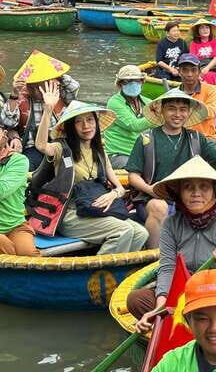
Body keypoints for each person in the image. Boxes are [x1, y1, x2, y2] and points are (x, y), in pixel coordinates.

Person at [127, 156, 216, 338]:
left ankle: (194, 333)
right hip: (191, 299)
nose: (196, 193)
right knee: (136, 300)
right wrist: (160, 307)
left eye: (204, 187)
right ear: (179, 192)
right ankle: (189, 330)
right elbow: (167, 268)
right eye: (188, 187)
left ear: (214, 191)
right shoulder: (172, 224)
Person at [34, 85, 148, 255]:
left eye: (90, 120)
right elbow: (41, 145)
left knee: (141, 233)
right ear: (71, 126)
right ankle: (102, 269)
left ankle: (119, 269)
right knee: (124, 230)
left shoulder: (99, 151)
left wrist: (112, 195)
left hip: (97, 210)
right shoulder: (61, 148)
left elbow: (120, 188)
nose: (86, 126)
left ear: (96, 122)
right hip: (71, 214)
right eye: (79, 121)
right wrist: (48, 109)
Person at [125, 89, 216, 249]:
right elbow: (133, 176)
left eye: (183, 109)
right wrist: (150, 189)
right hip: (153, 197)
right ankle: (157, 256)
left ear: (188, 112)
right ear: (162, 111)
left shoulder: (196, 138)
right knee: (159, 207)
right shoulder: (146, 139)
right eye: (171, 109)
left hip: (188, 196)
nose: (177, 114)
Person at [2, 50, 79, 170]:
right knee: (27, 165)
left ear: (50, 82)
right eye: (31, 87)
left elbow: (74, 87)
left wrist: (55, 73)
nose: (35, 92)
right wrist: (14, 94)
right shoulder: (20, 98)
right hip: (33, 148)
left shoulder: (60, 93)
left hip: (61, 144)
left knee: (72, 163)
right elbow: (8, 123)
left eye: (39, 87)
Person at [103, 65, 152, 169]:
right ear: (120, 84)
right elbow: (134, 125)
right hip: (120, 155)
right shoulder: (114, 103)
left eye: (136, 81)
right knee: (141, 168)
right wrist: (158, 117)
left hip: (143, 153)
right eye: (127, 81)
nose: (133, 84)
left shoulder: (148, 102)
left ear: (142, 82)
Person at [0, 127, 38, 256]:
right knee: (5, 247)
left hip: (15, 226)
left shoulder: (18, 161)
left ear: (4, 134)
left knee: (28, 255)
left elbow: (2, 190)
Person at [176, 54, 216, 140]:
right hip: (181, 138)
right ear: (179, 72)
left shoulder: (210, 90)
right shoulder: (174, 93)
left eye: (193, 70)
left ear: (199, 71)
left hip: (207, 137)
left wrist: (185, 110)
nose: (189, 74)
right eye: (185, 70)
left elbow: (211, 112)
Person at [188, 18, 216, 85]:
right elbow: (193, 60)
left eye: (207, 27)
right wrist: (198, 72)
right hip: (200, 67)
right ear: (198, 31)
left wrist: (207, 68)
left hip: (214, 66)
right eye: (202, 28)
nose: (205, 30)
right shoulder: (194, 43)